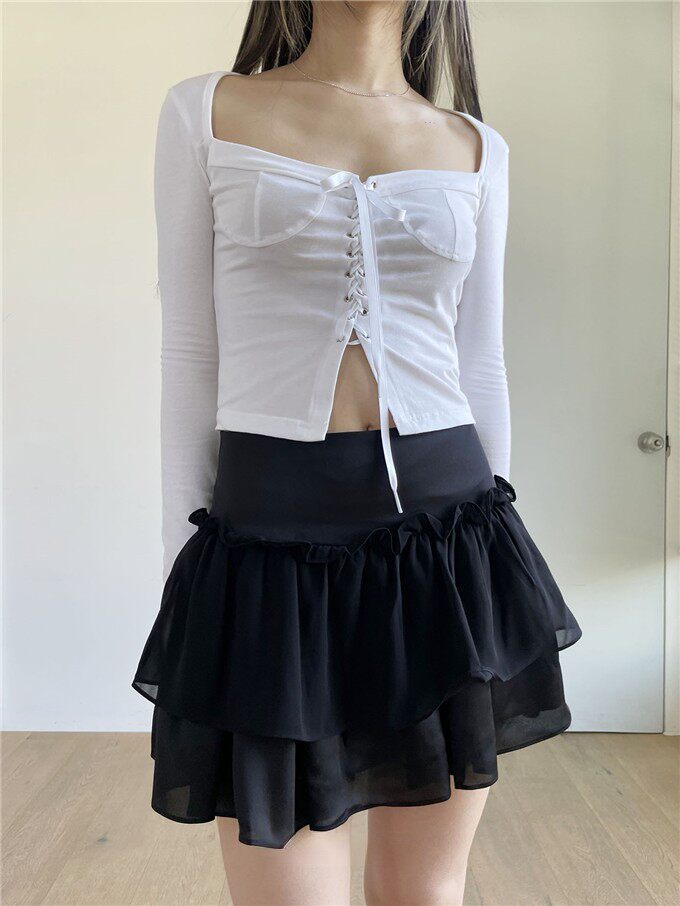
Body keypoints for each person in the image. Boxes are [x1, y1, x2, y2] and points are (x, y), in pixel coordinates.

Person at [132, 2, 582, 903]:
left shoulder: (477, 147)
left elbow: (480, 362)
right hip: (269, 557)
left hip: (449, 543)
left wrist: (494, 560)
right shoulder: (205, 110)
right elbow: (189, 353)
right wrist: (189, 568)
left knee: (425, 891)